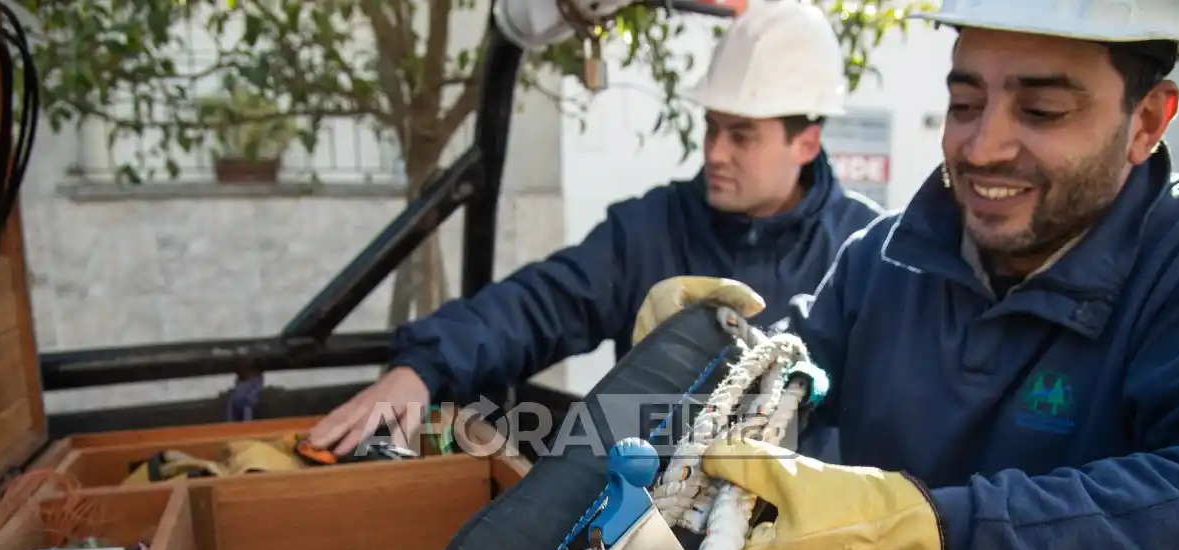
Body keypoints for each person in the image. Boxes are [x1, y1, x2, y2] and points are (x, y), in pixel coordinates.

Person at [634, 0, 1179, 550]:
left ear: (1148, 120)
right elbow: (804, 361)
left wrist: (931, 528)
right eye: (966, 101)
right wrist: (718, 356)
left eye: (1043, 110)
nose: (982, 147)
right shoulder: (885, 257)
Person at [308, 0, 884, 456]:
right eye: (711, 128)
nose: (715, 152)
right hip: (646, 533)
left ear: (806, 142)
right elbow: (537, 305)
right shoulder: (651, 230)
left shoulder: (866, 255)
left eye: (741, 135)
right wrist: (421, 369)